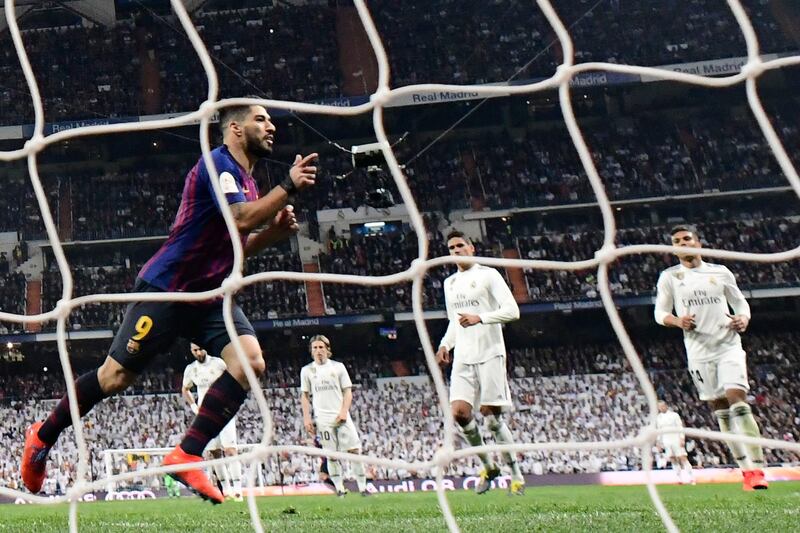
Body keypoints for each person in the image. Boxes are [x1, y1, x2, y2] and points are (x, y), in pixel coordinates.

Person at [21, 101, 318, 504]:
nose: (271, 128)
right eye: (260, 120)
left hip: (209, 295)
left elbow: (237, 245)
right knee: (114, 378)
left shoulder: (248, 182)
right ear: (234, 128)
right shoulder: (217, 166)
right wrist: (288, 185)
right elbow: (240, 220)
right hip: (168, 288)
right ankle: (42, 437)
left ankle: (186, 454)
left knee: (250, 361)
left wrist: (274, 235)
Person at [654, 225, 768, 491]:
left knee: (738, 401)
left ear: (698, 244)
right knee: (721, 411)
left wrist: (744, 318)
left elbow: (740, 303)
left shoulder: (720, 272)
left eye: (686, 239)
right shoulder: (670, 277)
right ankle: (746, 472)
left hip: (728, 346)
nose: (682, 243)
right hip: (699, 353)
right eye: (677, 241)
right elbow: (660, 313)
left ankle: (759, 469)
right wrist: (677, 320)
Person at [435, 231, 524, 495]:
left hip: (490, 353)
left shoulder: (489, 275)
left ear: (472, 248)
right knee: (459, 413)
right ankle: (488, 465)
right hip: (463, 355)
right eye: (451, 248)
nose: (456, 250)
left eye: (460, 245)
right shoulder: (449, 283)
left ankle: (516, 475)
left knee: (492, 421)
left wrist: (481, 318)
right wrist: (444, 344)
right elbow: (454, 320)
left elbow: (513, 311)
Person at [300, 335, 369, 496]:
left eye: (321, 347)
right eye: (315, 348)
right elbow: (304, 395)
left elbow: (347, 391)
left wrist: (344, 411)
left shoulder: (338, 367)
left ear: (327, 350)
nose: (318, 351)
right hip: (323, 420)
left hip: (341, 416)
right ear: (311, 351)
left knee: (354, 451)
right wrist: (306, 418)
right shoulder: (307, 371)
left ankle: (363, 488)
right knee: (331, 456)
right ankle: (339, 489)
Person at [182, 343, 242, 500]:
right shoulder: (191, 369)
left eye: (200, 349)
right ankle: (226, 488)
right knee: (214, 452)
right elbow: (185, 389)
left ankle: (238, 489)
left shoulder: (218, 363)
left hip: (223, 411)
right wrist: (194, 406)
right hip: (206, 415)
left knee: (230, 450)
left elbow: (232, 380)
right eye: (195, 350)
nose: (198, 352)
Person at [655, 400, 695, 485]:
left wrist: (682, 438)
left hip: (675, 438)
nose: (661, 408)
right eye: (659, 407)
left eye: (662, 406)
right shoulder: (658, 418)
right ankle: (679, 478)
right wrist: (658, 442)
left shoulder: (674, 415)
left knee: (682, 457)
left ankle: (691, 477)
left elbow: (680, 427)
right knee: (672, 459)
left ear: (666, 406)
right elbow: (659, 431)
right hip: (666, 440)